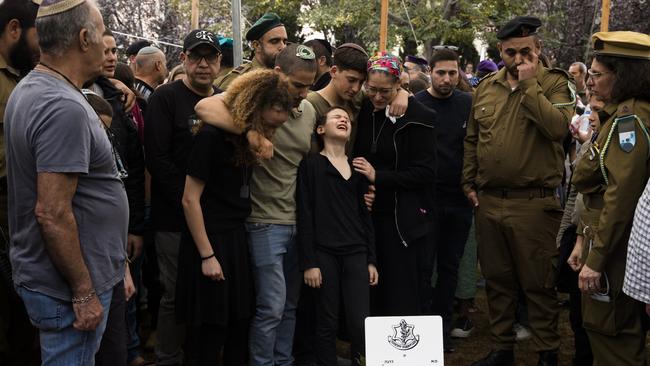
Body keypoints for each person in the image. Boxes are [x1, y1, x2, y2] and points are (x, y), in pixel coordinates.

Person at [5, 0, 129, 365]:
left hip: (60, 279)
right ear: (84, 37)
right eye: (103, 29)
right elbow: (52, 212)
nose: (107, 38)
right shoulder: (62, 106)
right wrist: (83, 292)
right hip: (67, 289)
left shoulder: (35, 87)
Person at [462, 16, 575, 366]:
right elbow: (473, 140)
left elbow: (558, 129)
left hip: (534, 204)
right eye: (511, 52)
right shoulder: (486, 87)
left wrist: (529, 87)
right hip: (490, 200)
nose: (519, 59)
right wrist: (468, 182)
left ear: (538, 49)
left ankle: (547, 352)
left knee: (538, 284)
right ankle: (501, 348)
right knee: (497, 281)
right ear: (501, 51)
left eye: (527, 51)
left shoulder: (555, 84)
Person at [196, 43, 318, 366]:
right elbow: (204, 108)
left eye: (310, 85)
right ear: (277, 74)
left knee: (289, 306)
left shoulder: (308, 111)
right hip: (262, 222)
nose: (304, 93)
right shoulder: (254, 101)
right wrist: (250, 131)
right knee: (272, 307)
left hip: (297, 222)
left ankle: (283, 361)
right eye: (298, 85)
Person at [177, 69, 292, 365]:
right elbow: (190, 200)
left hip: (235, 238)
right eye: (268, 123)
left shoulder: (241, 137)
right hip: (210, 241)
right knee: (207, 334)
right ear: (255, 109)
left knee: (237, 326)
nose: (271, 133)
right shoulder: (210, 136)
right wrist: (207, 255)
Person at [571, 31, 650, 366]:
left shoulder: (630, 120)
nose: (590, 82)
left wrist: (596, 258)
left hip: (614, 247)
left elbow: (620, 197)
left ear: (623, 75)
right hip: (611, 240)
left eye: (597, 74)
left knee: (612, 336)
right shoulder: (622, 114)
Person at [144, 28, 222, 366]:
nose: (203, 64)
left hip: (216, 219)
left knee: (208, 293)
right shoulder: (165, 98)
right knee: (174, 294)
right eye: (196, 56)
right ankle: (166, 358)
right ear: (183, 59)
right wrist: (191, 202)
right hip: (174, 216)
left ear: (220, 61)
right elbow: (157, 159)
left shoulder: (224, 99)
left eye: (211, 57)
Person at [352, 52, 436, 317]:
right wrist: (363, 188)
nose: (377, 97)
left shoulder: (418, 114)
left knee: (401, 288)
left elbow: (425, 172)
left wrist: (380, 178)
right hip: (365, 213)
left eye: (385, 91)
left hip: (401, 217)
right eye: (372, 90)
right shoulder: (361, 109)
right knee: (369, 286)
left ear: (399, 83)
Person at [297, 106, 378, 366]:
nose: (344, 119)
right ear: (321, 129)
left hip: (356, 252)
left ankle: (360, 361)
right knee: (326, 320)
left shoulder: (358, 168)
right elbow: (305, 215)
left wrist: (371, 259)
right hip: (324, 253)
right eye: (336, 117)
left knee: (360, 320)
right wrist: (309, 262)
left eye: (347, 119)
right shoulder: (310, 166)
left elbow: (366, 217)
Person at [414, 48, 473, 352]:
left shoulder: (467, 103)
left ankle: (442, 331)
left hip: (460, 200)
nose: (447, 79)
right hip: (426, 199)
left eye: (452, 73)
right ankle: (422, 332)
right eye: (441, 73)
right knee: (424, 267)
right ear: (430, 72)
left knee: (450, 267)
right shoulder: (415, 104)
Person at [0, 1, 40, 364]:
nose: (41, 45)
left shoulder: (33, 76)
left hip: (26, 210)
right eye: (36, 34)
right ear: (14, 29)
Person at [217, 12, 287, 90]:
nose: (283, 47)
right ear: (257, 45)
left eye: (284, 42)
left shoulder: (286, 77)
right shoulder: (240, 79)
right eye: (274, 41)